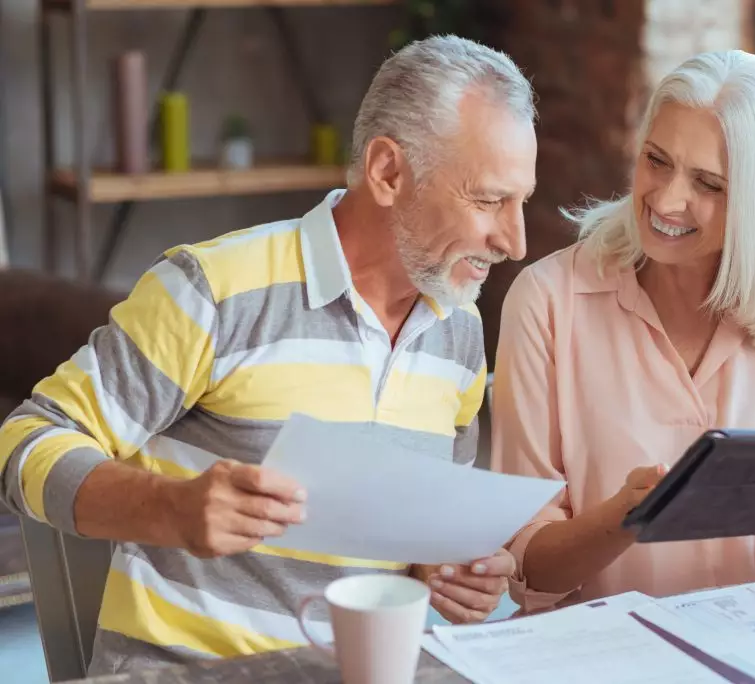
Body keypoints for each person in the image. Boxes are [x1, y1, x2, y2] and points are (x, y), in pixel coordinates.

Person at [0, 35, 536, 674]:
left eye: (521, 202)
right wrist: (170, 507)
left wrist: (449, 568)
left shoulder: (460, 331)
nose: (516, 240)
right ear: (388, 172)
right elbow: (27, 440)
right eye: (487, 200)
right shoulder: (216, 290)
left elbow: (419, 538)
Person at [490, 50, 755, 615]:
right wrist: (625, 518)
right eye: (656, 160)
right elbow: (527, 570)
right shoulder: (548, 300)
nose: (667, 199)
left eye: (708, 183)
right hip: (591, 655)